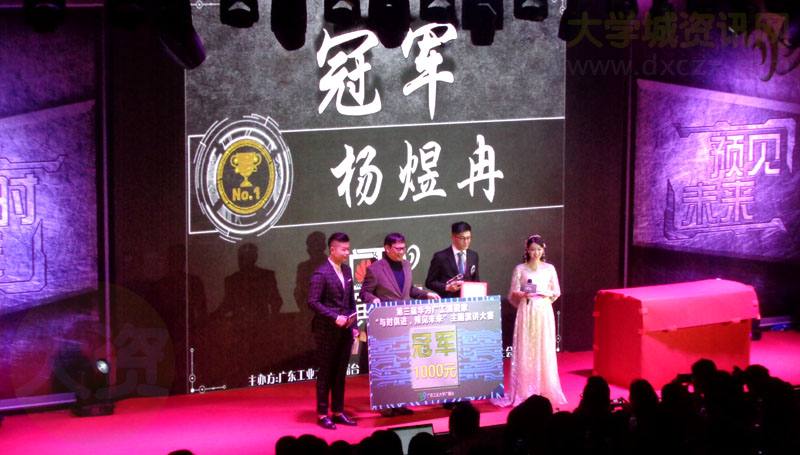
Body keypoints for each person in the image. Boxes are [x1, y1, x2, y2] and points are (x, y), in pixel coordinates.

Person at [360, 232, 440, 417]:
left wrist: (426, 294)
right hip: (383, 325)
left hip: (404, 324)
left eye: (403, 248)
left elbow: (409, 290)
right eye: (397, 249)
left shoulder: (406, 265)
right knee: (385, 366)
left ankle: (400, 402)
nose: (401, 252)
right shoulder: (375, 269)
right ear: (387, 248)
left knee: (403, 365)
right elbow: (364, 292)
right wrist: (373, 299)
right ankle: (385, 404)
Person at [491, 235, 566, 408]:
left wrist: (544, 296)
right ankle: (525, 389)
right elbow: (513, 292)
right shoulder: (520, 269)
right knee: (526, 347)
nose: (536, 253)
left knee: (543, 346)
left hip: (543, 310)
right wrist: (523, 294)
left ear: (543, 250)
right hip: (526, 309)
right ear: (527, 250)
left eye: (539, 250)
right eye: (532, 250)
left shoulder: (549, 268)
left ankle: (545, 388)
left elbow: (556, 291)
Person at [308, 232, 359, 430]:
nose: (347, 253)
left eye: (348, 249)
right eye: (344, 249)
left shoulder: (346, 270)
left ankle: (338, 412)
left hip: (345, 331)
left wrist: (354, 326)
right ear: (332, 249)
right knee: (326, 374)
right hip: (326, 332)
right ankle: (322, 414)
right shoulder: (321, 273)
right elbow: (312, 302)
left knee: (340, 374)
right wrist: (334, 317)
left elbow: (351, 301)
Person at [425, 221, 480, 299]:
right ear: (453, 237)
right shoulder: (440, 257)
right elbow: (429, 282)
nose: (466, 242)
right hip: (448, 302)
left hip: (468, 301)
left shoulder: (473, 256)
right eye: (462, 238)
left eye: (468, 238)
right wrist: (447, 287)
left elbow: (476, 281)